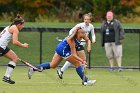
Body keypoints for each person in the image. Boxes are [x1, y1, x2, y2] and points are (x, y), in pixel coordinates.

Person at [28, 28, 96, 86]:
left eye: (83, 35)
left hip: (60, 47)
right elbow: (74, 55)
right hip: (63, 50)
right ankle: (85, 81)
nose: (82, 37)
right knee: (77, 63)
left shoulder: (82, 34)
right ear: (77, 34)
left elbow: (88, 40)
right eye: (81, 36)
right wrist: (82, 60)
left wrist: (89, 46)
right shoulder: (71, 40)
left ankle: (33, 68)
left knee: (53, 65)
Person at [57, 13, 96, 79]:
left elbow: (93, 34)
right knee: (82, 60)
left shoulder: (91, 26)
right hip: (78, 44)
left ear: (90, 20)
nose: (86, 21)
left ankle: (61, 70)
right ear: (83, 19)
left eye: (88, 19)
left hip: (82, 44)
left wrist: (94, 39)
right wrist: (73, 40)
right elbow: (71, 31)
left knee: (74, 59)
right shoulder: (79, 25)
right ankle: (84, 78)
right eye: (85, 19)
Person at [0, 15, 29, 84]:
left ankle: (6, 77)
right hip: (0, 47)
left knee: (14, 58)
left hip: (3, 47)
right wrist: (23, 45)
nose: (23, 26)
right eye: (22, 25)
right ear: (19, 24)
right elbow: (15, 42)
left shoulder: (10, 26)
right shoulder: (15, 29)